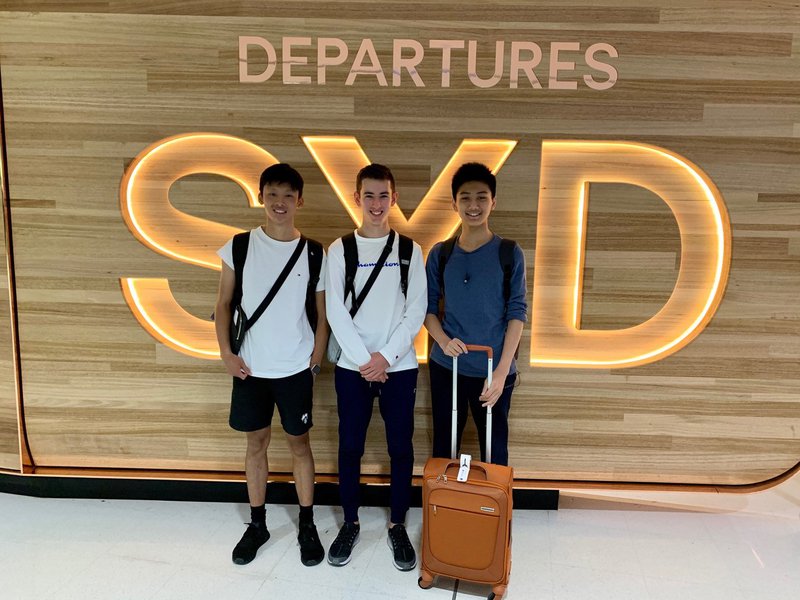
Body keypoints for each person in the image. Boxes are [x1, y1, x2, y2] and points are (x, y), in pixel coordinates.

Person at [214, 163, 327, 567]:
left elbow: (322, 313)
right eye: (272, 194)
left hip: (295, 370)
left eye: (288, 195)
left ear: (300, 201)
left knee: (300, 445)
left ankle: (307, 524)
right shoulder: (240, 246)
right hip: (250, 369)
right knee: (256, 445)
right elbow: (222, 304)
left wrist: (316, 359)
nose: (280, 202)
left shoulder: (314, 252)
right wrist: (227, 355)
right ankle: (258, 524)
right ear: (261, 197)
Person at [325, 163, 427, 571]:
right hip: (353, 367)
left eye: (384, 195)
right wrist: (366, 361)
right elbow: (335, 310)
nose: (376, 203)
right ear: (357, 198)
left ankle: (397, 524)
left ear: (394, 199)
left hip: (399, 368)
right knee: (350, 447)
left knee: (400, 448)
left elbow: (416, 310)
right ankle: (350, 523)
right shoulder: (340, 250)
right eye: (369, 195)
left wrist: (385, 358)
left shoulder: (410, 251)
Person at [424, 162, 527, 467]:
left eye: (482, 197)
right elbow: (427, 309)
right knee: (444, 448)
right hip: (448, 367)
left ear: (493, 202)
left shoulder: (509, 252)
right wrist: (443, 341)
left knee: (494, 452)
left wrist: (502, 372)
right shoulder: (441, 254)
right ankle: (444, 498)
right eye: (465, 198)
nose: (473, 206)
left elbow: (517, 312)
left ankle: (495, 500)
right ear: (454, 203)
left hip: (494, 369)